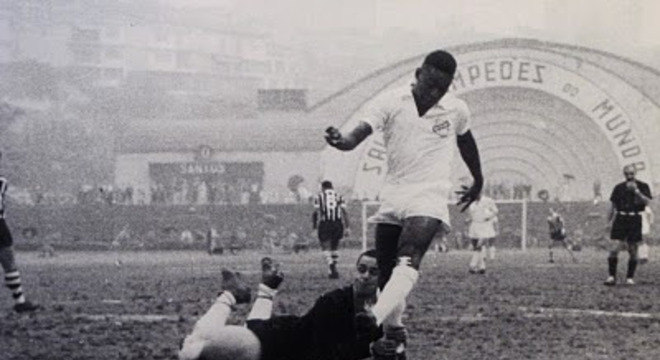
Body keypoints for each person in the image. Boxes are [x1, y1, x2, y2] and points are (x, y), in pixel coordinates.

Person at [324, 49, 483, 358]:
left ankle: (374, 317)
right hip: (395, 193)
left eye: (443, 88)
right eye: (431, 85)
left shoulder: (456, 109)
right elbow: (358, 134)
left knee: (408, 257)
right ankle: (395, 335)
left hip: (430, 194)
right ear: (418, 74)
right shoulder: (390, 101)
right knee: (386, 275)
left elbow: (466, 139)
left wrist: (479, 179)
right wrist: (341, 140)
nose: (436, 93)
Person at [179, 250, 395, 360]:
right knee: (190, 351)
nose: (365, 276)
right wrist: (368, 349)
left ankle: (265, 288)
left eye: (373, 272)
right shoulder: (334, 301)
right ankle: (229, 296)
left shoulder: (387, 307)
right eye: (361, 269)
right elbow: (321, 353)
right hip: (265, 346)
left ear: (385, 277)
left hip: (277, 341)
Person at [0, 152, 39, 312]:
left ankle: (20, 301)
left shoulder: (2, 182)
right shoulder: (2, 182)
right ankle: (20, 301)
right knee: (9, 262)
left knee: (9, 261)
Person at [604, 165, 652, 286]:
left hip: (634, 218)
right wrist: (608, 222)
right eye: (627, 174)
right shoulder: (619, 188)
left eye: (631, 174)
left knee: (633, 250)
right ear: (624, 174)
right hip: (620, 218)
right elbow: (613, 205)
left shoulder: (643, 186)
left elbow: (646, 202)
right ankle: (611, 276)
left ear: (635, 173)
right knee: (614, 248)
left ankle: (629, 277)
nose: (629, 176)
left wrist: (636, 191)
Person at [312, 180, 350, 278]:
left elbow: (315, 212)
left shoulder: (319, 196)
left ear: (323, 187)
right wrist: (347, 227)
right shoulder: (339, 196)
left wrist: (314, 227)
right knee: (334, 246)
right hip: (337, 223)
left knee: (325, 245)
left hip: (325, 223)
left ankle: (330, 265)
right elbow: (345, 212)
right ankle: (334, 266)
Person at [466, 194, 498, 273]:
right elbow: (471, 214)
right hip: (474, 226)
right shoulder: (471, 202)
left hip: (484, 226)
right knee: (476, 247)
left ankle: (472, 265)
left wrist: (489, 217)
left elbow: (495, 211)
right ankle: (482, 267)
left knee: (479, 245)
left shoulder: (488, 200)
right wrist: (468, 220)